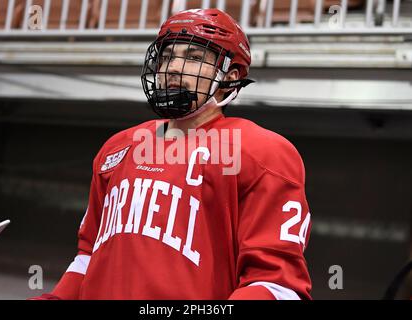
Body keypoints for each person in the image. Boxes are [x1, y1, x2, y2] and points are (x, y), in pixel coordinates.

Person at [34, 8, 312, 300]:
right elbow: (89, 256)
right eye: (167, 56)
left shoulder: (261, 153)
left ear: (230, 76)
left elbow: (278, 286)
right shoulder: (118, 148)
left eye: (193, 57)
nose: (174, 67)